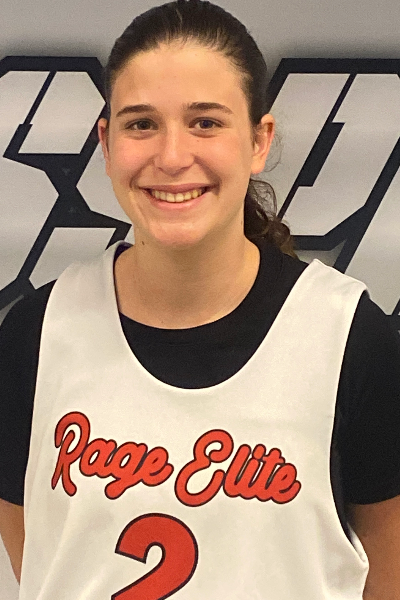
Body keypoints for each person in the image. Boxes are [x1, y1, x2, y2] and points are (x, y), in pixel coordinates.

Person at [1, 0, 400, 598]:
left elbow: (384, 571)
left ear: (259, 139)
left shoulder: (349, 336)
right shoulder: (35, 334)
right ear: (106, 143)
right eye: (141, 124)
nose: (171, 157)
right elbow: (43, 560)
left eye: (206, 122)